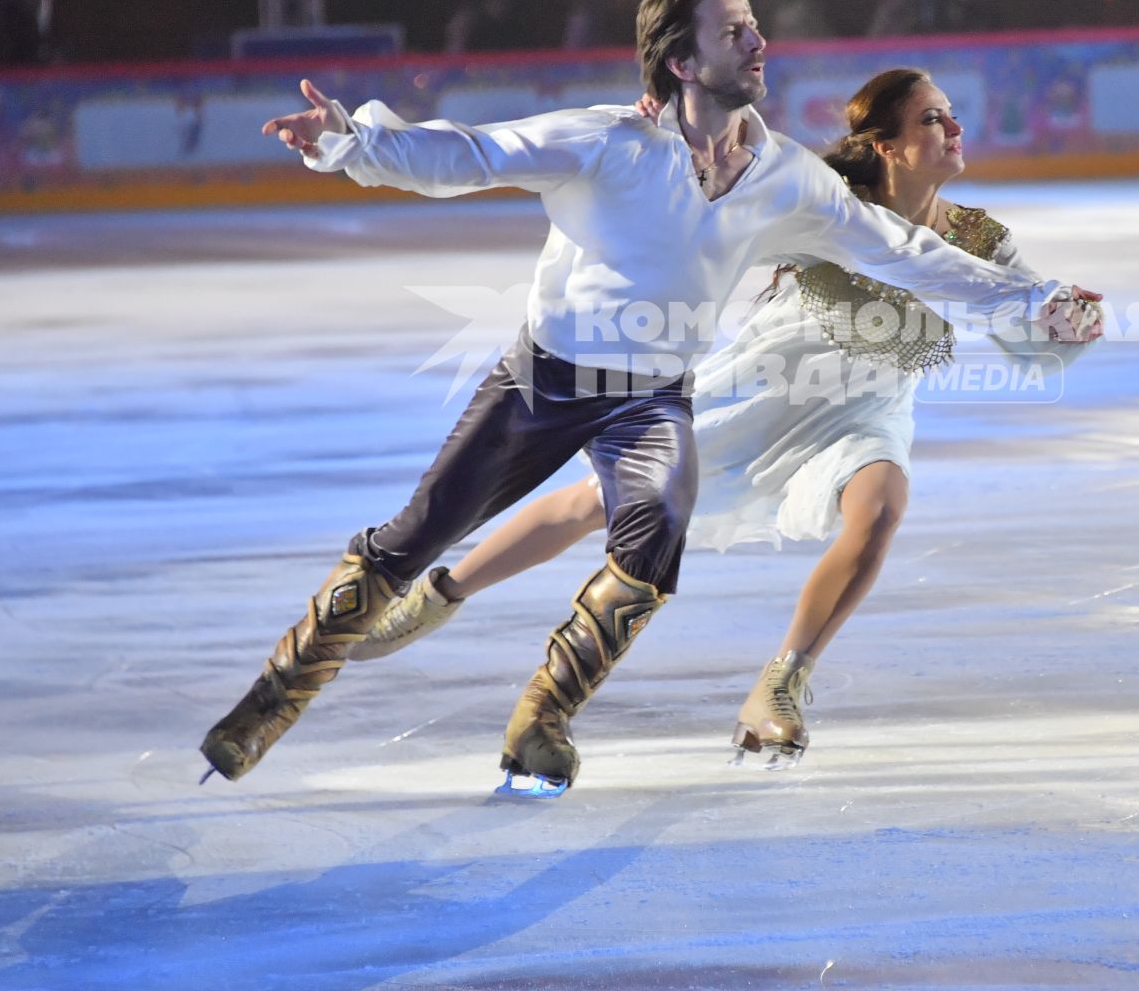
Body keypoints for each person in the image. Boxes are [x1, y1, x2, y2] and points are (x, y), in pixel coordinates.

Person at [200, 0, 1103, 795]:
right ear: (681, 63)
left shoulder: (785, 177)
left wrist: (1035, 304)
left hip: (653, 401)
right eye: (734, 31)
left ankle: (540, 721)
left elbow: (910, 253)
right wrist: (351, 143)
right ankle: (271, 700)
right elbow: (472, 156)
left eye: (754, 27)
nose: (758, 43)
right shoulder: (607, 144)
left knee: (652, 545)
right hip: (544, 381)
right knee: (414, 536)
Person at [348, 67, 1093, 767]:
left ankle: (780, 683)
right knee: (594, 504)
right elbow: (711, 177)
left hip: (869, 408)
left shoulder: (983, 240)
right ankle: (439, 596)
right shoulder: (822, 198)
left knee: (882, 504)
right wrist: (666, 126)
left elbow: (1026, 333)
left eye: (954, 116)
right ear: (889, 145)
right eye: (934, 118)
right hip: (762, 387)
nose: (955, 127)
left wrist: (1063, 328)